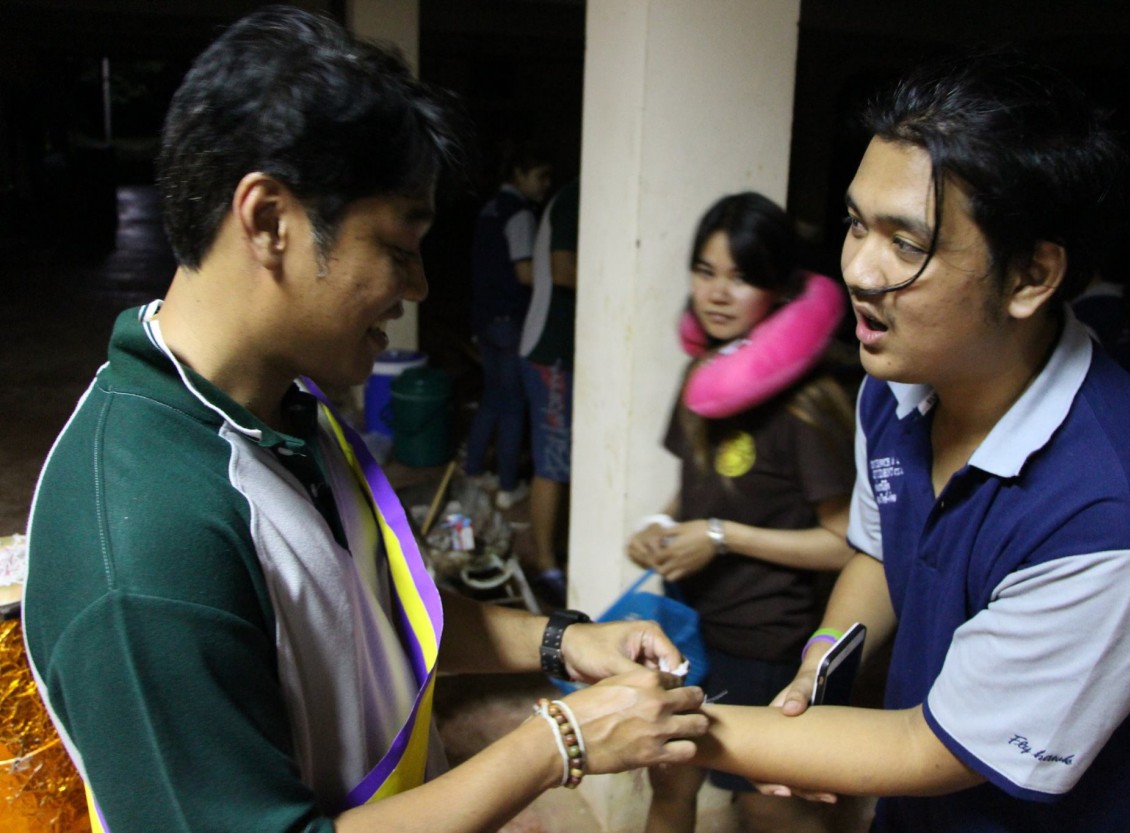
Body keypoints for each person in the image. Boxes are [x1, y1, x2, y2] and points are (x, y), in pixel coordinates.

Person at [20, 9, 707, 833]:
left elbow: (374, 616)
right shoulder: (146, 541)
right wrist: (553, 743)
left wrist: (561, 641)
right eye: (398, 246)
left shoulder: (290, 409)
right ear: (269, 221)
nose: (418, 287)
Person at [685, 51, 1130, 832]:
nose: (858, 270)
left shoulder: (1125, 511)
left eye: (906, 243)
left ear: (1030, 276)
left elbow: (929, 747)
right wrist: (821, 661)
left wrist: (660, 728)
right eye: (855, 223)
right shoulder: (895, 383)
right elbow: (881, 552)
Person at [627, 192, 858, 833]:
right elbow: (695, 490)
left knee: (766, 806)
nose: (717, 294)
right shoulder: (701, 377)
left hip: (763, 644)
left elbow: (844, 543)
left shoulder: (807, 404)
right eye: (705, 272)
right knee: (670, 784)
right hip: (685, 629)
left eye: (742, 276)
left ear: (779, 288)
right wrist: (657, 528)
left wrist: (722, 537)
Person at [463, 143, 553, 510]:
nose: (545, 185)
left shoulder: (490, 209)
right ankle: (507, 486)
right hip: (509, 321)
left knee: (492, 397)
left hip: (484, 318)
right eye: (540, 176)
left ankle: (472, 471)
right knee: (514, 405)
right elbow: (525, 272)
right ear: (519, 174)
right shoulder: (520, 214)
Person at [518, 177, 580, 605]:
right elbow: (563, 269)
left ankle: (557, 550)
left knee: (564, 459)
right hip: (549, 351)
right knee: (553, 461)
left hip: (563, 352)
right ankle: (545, 564)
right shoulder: (575, 196)